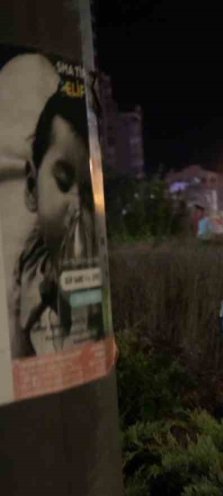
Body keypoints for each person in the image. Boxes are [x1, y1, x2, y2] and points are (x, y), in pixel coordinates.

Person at [14, 89, 100, 357]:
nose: (77, 207)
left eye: (89, 193)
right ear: (32, 186)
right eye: (63, 182)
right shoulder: (19, 293)